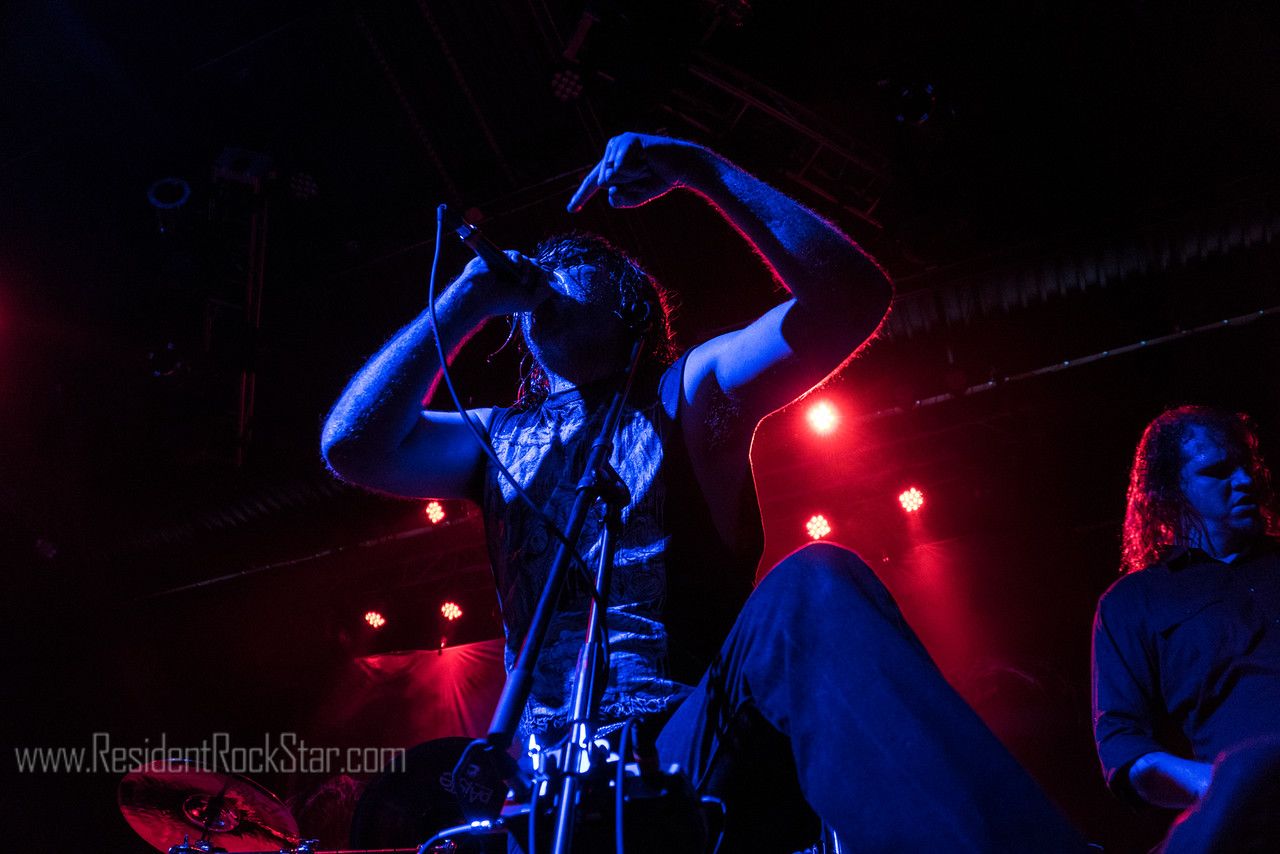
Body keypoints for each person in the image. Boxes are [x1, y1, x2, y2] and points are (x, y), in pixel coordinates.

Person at [323, 132, 1085, 851]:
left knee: (812, 586)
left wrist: (702, 169)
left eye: (575, 262)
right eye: (541, 268)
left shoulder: (689, 392)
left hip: (686, 747)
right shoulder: (494, 437)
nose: (548, 272)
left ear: (629, 302)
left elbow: (852, 301)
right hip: (541, 783)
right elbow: (351, 446)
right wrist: (462, 301)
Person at [1092, 405, 1280, 852]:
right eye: (1218, 471)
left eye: (1246, 466)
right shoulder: (1132, 602)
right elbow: (1123, 746)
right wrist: (1227, 785)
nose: (1245, 481)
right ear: (1170, 492)